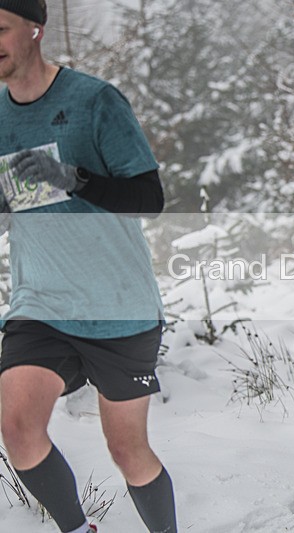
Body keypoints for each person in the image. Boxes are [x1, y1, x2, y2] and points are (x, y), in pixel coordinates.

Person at [0, 2, 176, 532]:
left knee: (127, 449)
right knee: (16, 426)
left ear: (35, 29)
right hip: (40, 304)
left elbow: (149, 198)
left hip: (117, 308)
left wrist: (74, 179)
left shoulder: (94, 101)